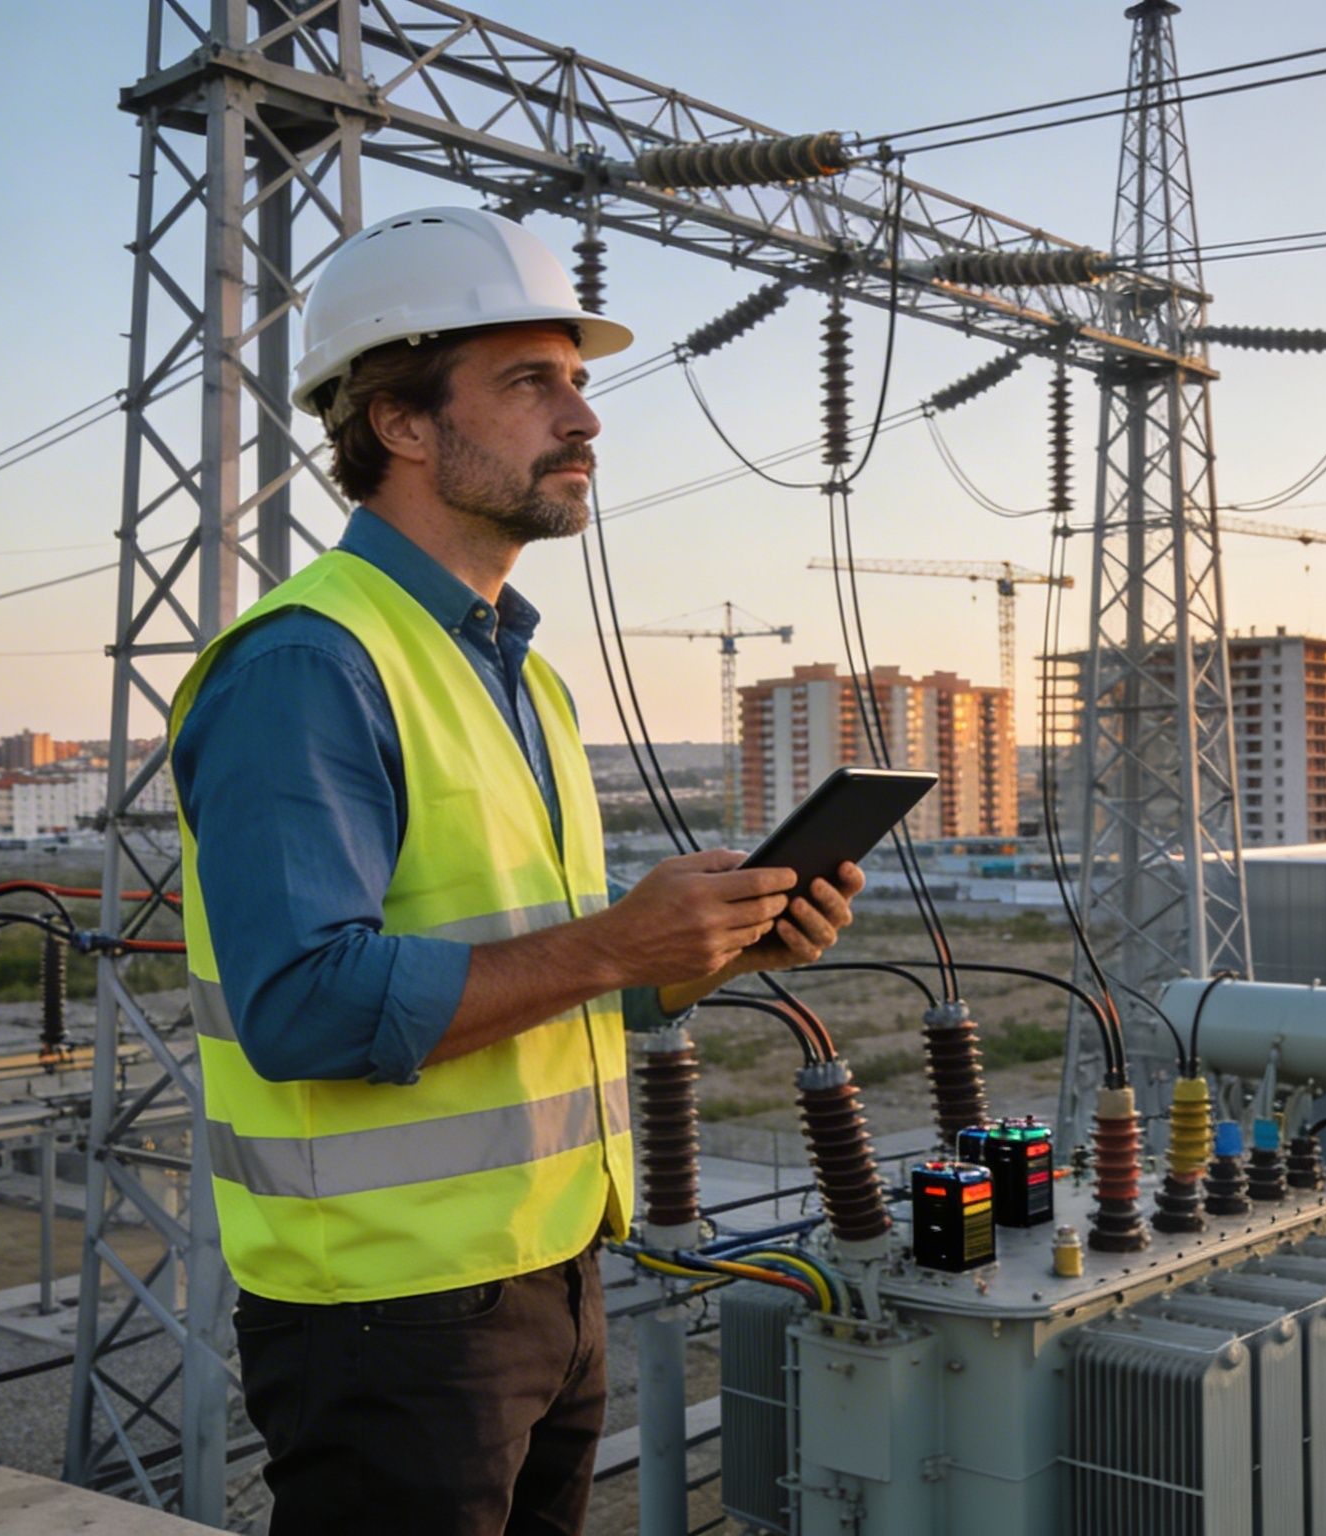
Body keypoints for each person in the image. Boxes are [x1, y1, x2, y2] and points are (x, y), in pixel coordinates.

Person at [168, 205, 863, 1536]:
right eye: (530, 382)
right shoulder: (311, 664)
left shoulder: (518, 673)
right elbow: (304, 1005)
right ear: (402, 425)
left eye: (580, 383)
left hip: (550, 1275)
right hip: (391, 1316)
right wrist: (614, 944)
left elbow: (529, 967)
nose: (585, 419)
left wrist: (698, 952)